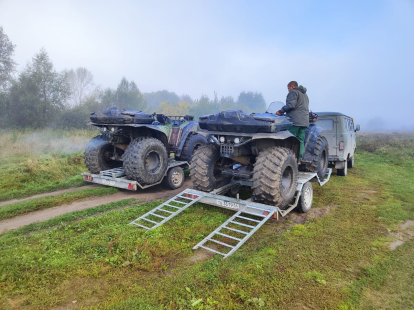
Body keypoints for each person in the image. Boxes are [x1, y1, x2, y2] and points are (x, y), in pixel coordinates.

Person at [276, 81, 309, 163]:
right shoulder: (305, 95)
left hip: (294, 121)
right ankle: (299, 159)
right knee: (300, 140)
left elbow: (291, 105)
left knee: (289, 139)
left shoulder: (293, 92)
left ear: (292, 86)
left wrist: (281, 111)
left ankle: (288, 159)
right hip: (304, 122)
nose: (288, 90)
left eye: (288, 88)